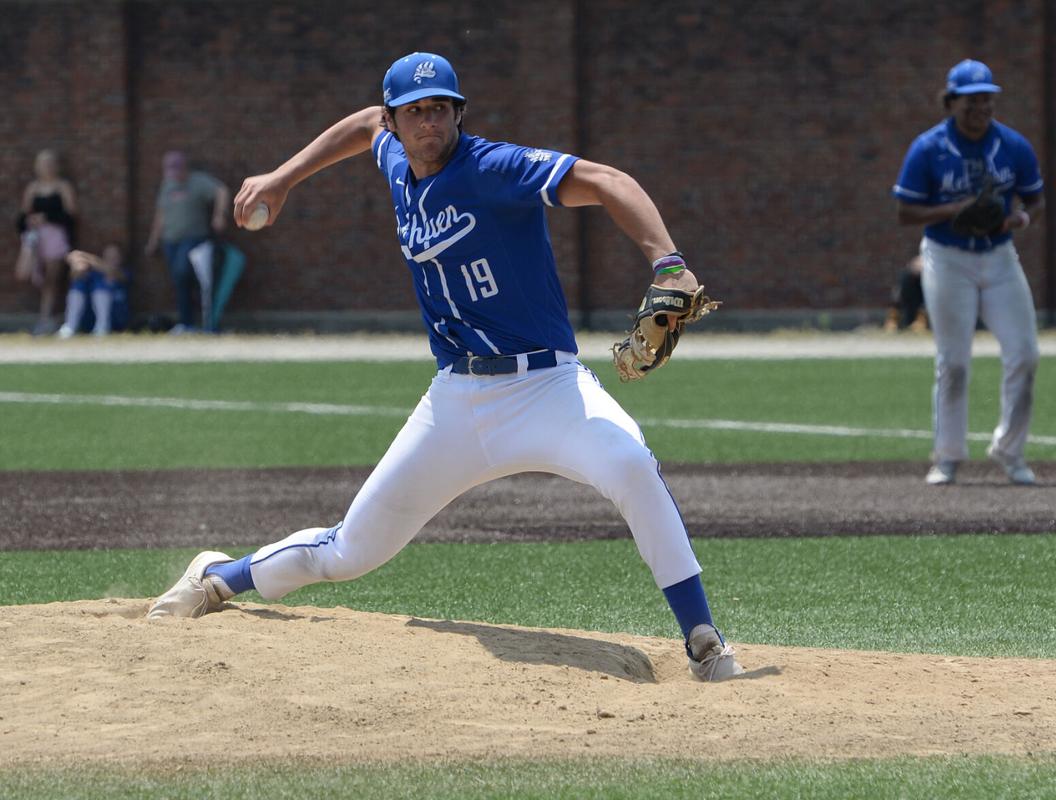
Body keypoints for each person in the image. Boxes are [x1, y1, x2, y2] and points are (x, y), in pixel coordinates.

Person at [147, 52, 744, 682]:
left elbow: (608, 181)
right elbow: (360, 129)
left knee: (630, 464)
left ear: (458, 113)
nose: (428, 122)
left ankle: (703, 639)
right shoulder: (395, 160)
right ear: (396, 120)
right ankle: (218, 576)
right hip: (455, 401)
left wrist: (668, 262)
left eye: (440, 109)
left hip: (547, 386)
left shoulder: (494, 168)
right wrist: (284, 177)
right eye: (414, 112)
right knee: (349, 551)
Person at [892, 59, 1045, 486]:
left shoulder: (1012, 145)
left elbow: (1035, 199)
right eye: (972, 98)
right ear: (952, 101)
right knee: (954, 361)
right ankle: (947, 456)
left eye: (987, 98)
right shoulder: (928, 147)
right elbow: (905, 211)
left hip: (999, 255)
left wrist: (1020, 220)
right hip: (947, 256)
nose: (981, 106)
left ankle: (1011, 451)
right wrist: (955, 210)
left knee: (1025, 353)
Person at [144, 151, 229, 334]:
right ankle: (186, 322)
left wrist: (219, 215)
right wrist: (153, 240)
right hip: (170, 240)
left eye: (177, 171)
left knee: (183, 272)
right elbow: (161, 214)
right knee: (178, 280)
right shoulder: (167, 185)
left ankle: (202, 320)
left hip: (194, 239)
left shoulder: (198, 181)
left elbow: (221, 191)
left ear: (184, 168)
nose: (174, 176)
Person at [14, 149, 78, 335]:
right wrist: (31, 221)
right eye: (43, 163)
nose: (47, 167)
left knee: (51, 278)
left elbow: (71, 214)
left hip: (56, 236)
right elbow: (22, 216)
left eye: (50, 163)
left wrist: (48, 217)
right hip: (35, 237)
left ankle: (45, 318)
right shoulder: (33, 188)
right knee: (25, 273)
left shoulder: (63, 186)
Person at [57, 244, 130, 337]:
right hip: (89, 318)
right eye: (107, 257)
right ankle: (70, 326)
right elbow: (74, 276)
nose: (111, 260)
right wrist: (76, 263)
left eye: (114, 257)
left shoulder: (124, 272)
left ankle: (103, 327)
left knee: (101, 287)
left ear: (121, 259)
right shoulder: (96, 274)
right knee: (78, 285)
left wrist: (85, 257)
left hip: (116, 319)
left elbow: (112, 271)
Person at [883, 251, 928, 332]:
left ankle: (921, 319)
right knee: (906, 278)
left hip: (928, 282)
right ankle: (893, 318)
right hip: (912, 287)